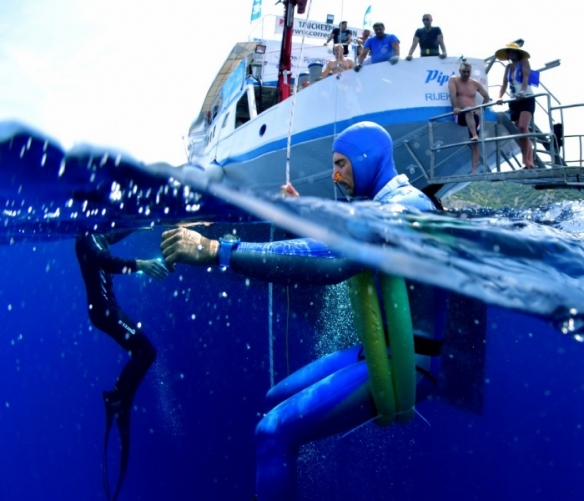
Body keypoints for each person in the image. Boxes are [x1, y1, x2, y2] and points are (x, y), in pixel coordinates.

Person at [160, 122, 447, 501]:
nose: (335, 174)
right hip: (380, 351)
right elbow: (341, 234)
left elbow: (335, 257)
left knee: (272, 432)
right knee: (271, 400)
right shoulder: (380, 204)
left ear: (366, 159)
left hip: (411, 365)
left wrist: (219, 251)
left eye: (342, 164)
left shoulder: (403, 208)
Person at [75, 230, 169, 501]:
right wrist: (142, 265)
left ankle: (119, 397)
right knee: (146, 351)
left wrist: (140, 225)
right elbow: (105, 260)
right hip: (104, 311)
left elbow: (110, 238)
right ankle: (117, 398)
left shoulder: (95, 235)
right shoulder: (84, 237)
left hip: (105, 310)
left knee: (144, 352)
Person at [496, 42, 538, 169]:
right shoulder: (508, 67)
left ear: (518, 53)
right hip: (514, 100)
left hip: (526, 98)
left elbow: (525, 79)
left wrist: (522, 92)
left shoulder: (524, 62)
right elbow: (504, 84)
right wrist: (500, 96)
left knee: (523, 127)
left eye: (513, 51)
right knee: (520, 132)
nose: (511, 54)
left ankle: (529, 160)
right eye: (509, 52)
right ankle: (526, 160)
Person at [448, 61, 493, 174]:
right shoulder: (454, 79)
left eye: (468, 72)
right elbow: (452, 94)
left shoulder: (475, 83)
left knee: (475, 145)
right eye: (464, 72)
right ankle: (474, 135)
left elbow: (486, 97)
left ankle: (474, 170)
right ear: (460, 71)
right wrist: (455, 107)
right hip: (460, 114)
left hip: (474, 115)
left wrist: (481, 109)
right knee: (468, 109)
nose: (466, 74)